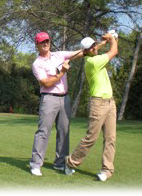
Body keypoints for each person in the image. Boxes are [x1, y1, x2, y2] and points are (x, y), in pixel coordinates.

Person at [65, 32, 118, 181]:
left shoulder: (94, 55)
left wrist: (105, 40)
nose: (94, 48)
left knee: (110, 138)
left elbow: (98, 47)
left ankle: (107, 170)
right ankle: (70, 163)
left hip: (110, 102)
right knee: (91, 138)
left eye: (94, 45)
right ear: (86, 51)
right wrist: (112, 38)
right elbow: (114, 51)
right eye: (91, 47)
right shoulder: (92, 62)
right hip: (98, 103)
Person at [30, 32, 84, 176]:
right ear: (37, 44)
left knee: (64, 132)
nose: (45, 43)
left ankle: (60, 163)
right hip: (49, 98)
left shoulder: (58, 55)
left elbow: (76, 54)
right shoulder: (37, 63)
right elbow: (46, 83)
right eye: (42, 42)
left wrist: (91, 47)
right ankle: (35, 164)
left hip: (64, 98)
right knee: (43, 131)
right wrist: (62, 72)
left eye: (47, 40)